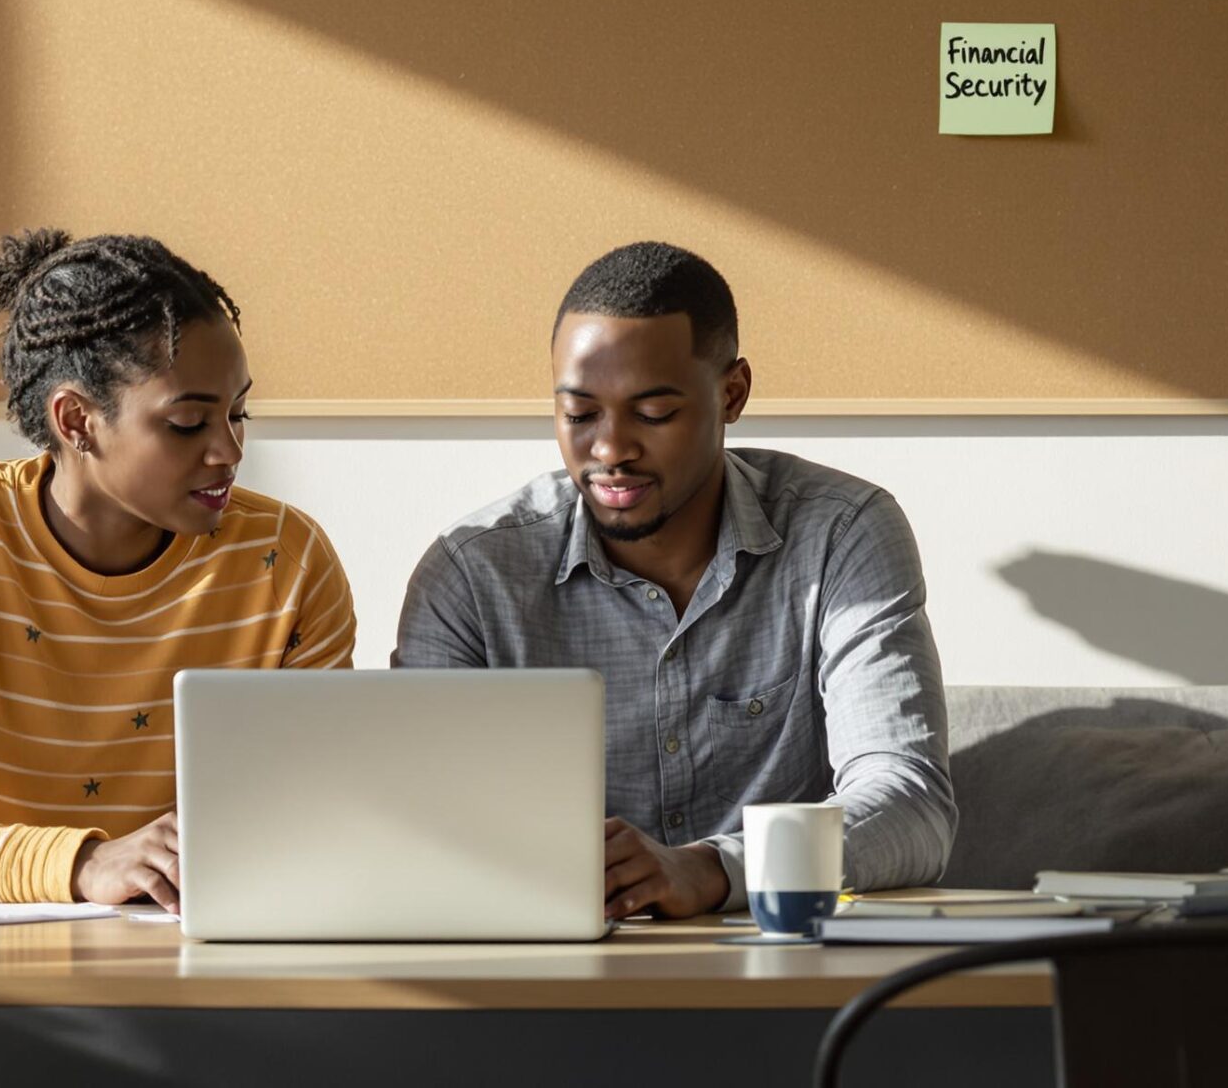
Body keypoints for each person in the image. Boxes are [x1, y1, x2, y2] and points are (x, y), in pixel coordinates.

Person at [0, 230, 355, 909]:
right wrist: (83, 863)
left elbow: (324, 825)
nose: (229, 448)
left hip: (205, 976)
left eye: (239, 411)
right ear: (76, 420)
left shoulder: (286, 563)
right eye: (188, 422)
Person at [395, 241, 953, 919]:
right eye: (579, 414)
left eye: (653, 413)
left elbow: (909, 801)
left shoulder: (842, 534)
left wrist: (715, 867)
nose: (609, 450)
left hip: (787, 977)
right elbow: (417, 828)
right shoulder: (471, 575)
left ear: (733, 392)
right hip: (539, 982)